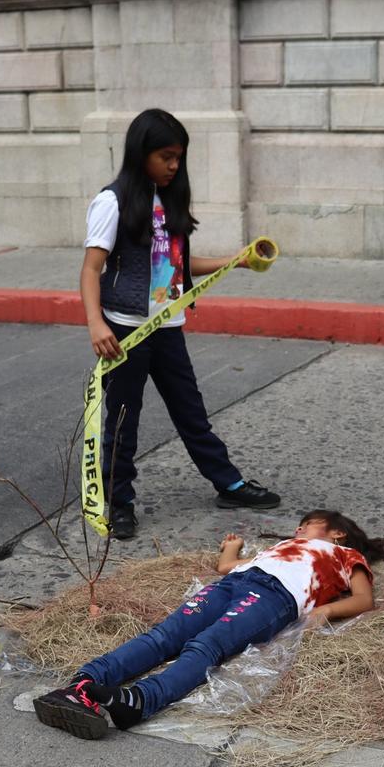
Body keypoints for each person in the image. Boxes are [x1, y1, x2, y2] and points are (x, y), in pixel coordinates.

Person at [80, 108, 279, 540]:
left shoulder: (169, 202)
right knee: (123, 419)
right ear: (142, 154)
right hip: (126, 331)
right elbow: (92, 269)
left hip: (168, 327)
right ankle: (119, 501)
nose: (174, 166)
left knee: (191, 411)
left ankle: (228, 483)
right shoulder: (113, 202)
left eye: (178, 158)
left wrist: (236, 261)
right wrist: (96, 323)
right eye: (166, 157)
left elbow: (180, 266)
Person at [35, 510, 384, 738]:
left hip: (274, 598)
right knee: (164, 635)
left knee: (206, 645)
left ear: (337, 532)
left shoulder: (344, 555)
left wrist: (324, 612)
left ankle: (141, 700)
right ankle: (83, 683)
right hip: (232, 584)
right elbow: (227, 568)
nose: (299, 527)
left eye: (307, 523)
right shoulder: (282, 547)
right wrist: (231, 548)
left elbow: (363, 599)